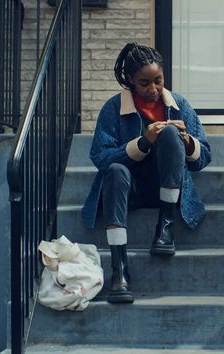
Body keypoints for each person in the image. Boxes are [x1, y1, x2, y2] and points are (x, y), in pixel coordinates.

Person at [82, 42, 211, 304]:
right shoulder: (112, 108)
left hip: (169, 190)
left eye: (158, 81)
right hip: (129, 192)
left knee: (173, 133)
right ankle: (120, 270)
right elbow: (101, 158)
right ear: (130, 80)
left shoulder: (179, 105)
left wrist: (187, 142)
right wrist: (143, 142)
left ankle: (165, 227)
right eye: (144, 83)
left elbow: (203, 158)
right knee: (116, 170)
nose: (153, 89)